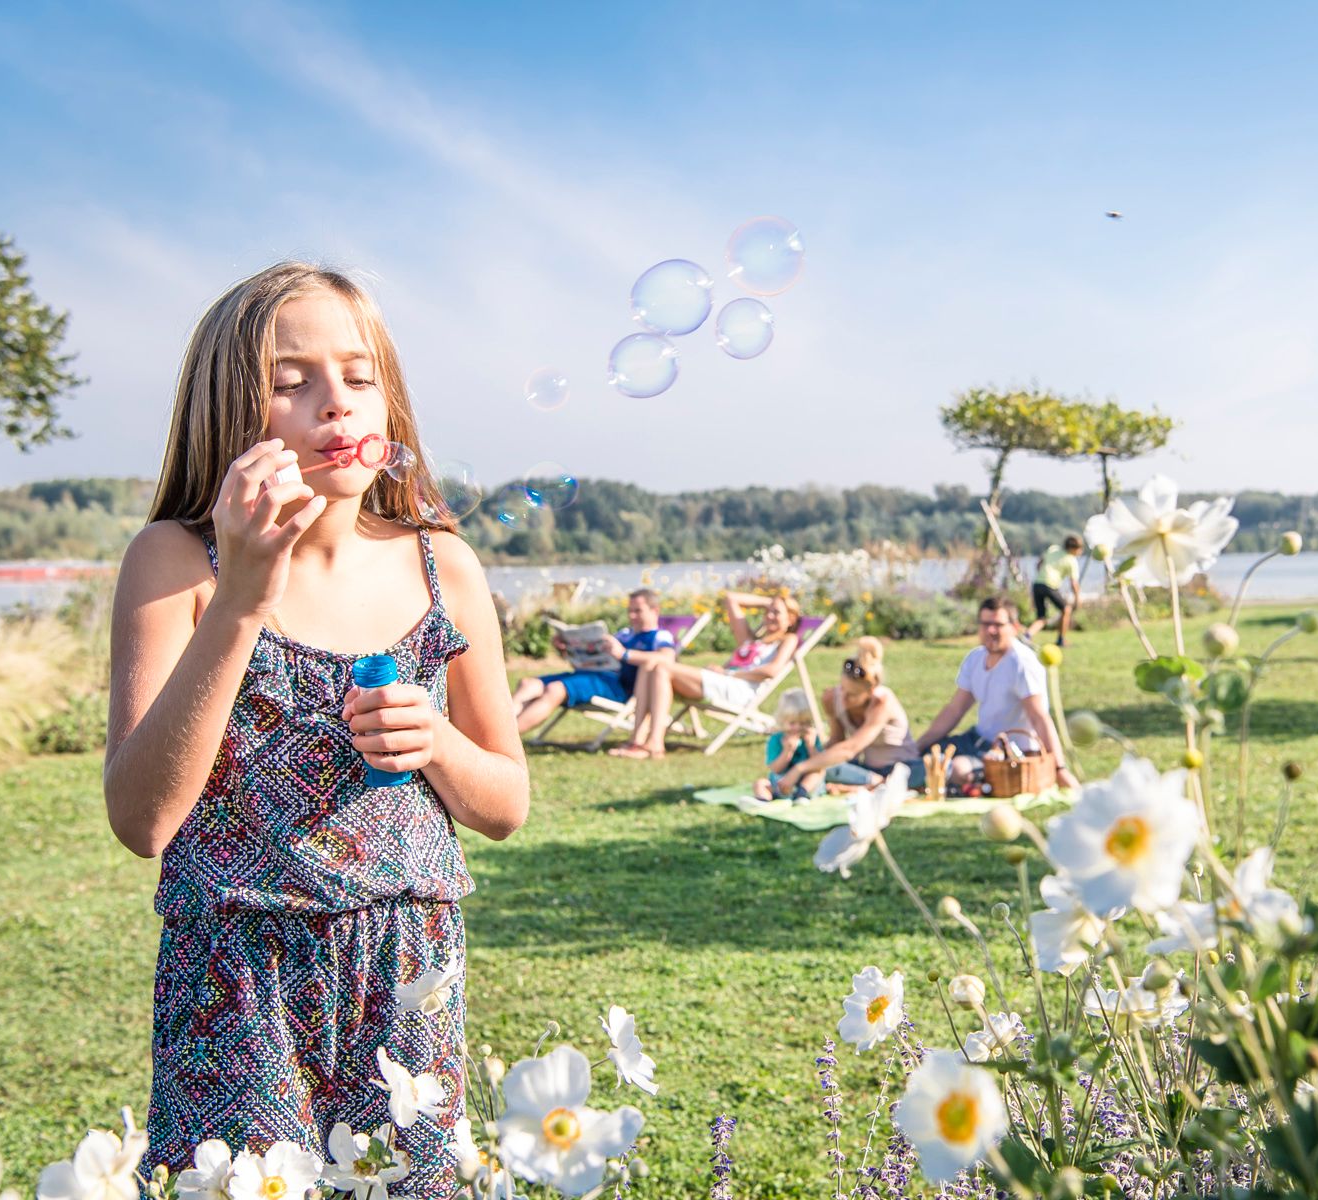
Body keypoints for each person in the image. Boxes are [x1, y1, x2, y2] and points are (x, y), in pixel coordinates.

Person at [104, 263, 528, 1196]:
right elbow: (142, 820)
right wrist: (241, 601)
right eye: (292, 383)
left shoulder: (441, 565)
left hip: (407, 962)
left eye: (360, 375)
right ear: (229, 414)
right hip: (236, 972)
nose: (335, 402)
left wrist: (439, 744)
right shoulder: (177, 563)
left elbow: (506, 804)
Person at [608, 589, 802, 760]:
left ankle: (654, 743)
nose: (769, 616)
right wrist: (772, 600)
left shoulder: (787, 639)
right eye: (767, 611)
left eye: (776, 612)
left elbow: (771, 671)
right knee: (651, 664)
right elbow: (731, 598)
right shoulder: (750, 640)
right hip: (723, 682)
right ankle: (637, 739)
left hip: (740, 689)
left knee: (661, 665)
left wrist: (728, 673)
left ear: (791, 618)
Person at [915, 597, 1078, 792]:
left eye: (998, 625)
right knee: (928, 756)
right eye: (985, 624)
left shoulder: (1021, 664)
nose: (990, 630)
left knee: (956, 769)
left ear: (1014, 627)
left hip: (1011, 753)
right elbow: (954, 710)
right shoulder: (975, 658)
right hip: (977, 740)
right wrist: (919, 745)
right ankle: (885, 778)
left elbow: (1039, 717)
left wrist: (1059, 768)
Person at [511, 588, 676, 734]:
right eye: (630, 611)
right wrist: (566, 648)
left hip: (617, 687)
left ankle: (508, 740)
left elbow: (667, 659)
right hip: (589, 676)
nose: (632, 616)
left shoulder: (659, 636)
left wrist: (624, 654)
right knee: (528, 684)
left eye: (638, 611)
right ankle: (496, 732)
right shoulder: (624, 634)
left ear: (655, 611)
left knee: (555, 689)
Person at [775, 636, 926, 794]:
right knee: (823, 767)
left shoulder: (882, 702)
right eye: (842, 688)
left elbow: (850, 748)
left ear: (870, 691)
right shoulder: (833, 698)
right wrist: (807, 750)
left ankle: (863, 787)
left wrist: (801, 768)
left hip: (904, 768)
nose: (844, 697)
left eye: (853, 694)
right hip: (867, 770)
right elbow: (837, 742)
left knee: (812, 767)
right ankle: (868, 786)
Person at [752, 688, 825, 801]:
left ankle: (801, 795)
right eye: (792, 723)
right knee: (760, 783)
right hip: (781, 783)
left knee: (815, 774)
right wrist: (787, 751)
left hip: (805, 783)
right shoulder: (776, 739)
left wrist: (811, 747)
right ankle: (763, 800)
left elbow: (819, 765)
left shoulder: (813, 737)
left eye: (804, 723)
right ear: (782, 721)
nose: (798, 727)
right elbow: (775, 769)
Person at [1026, 534, 1085, 646]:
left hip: (1037, 583)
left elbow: (1039, 564)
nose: (1081, 552)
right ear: (1073, 549)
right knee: (1066, 609)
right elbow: (1074, 583)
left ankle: (1027, 636)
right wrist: (1078, 599)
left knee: (1041, 617)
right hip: (1049, 585)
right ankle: (1061, 640)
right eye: (1080, 549)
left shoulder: (1053, 549)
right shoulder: (1071, 560)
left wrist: (1043, 575)